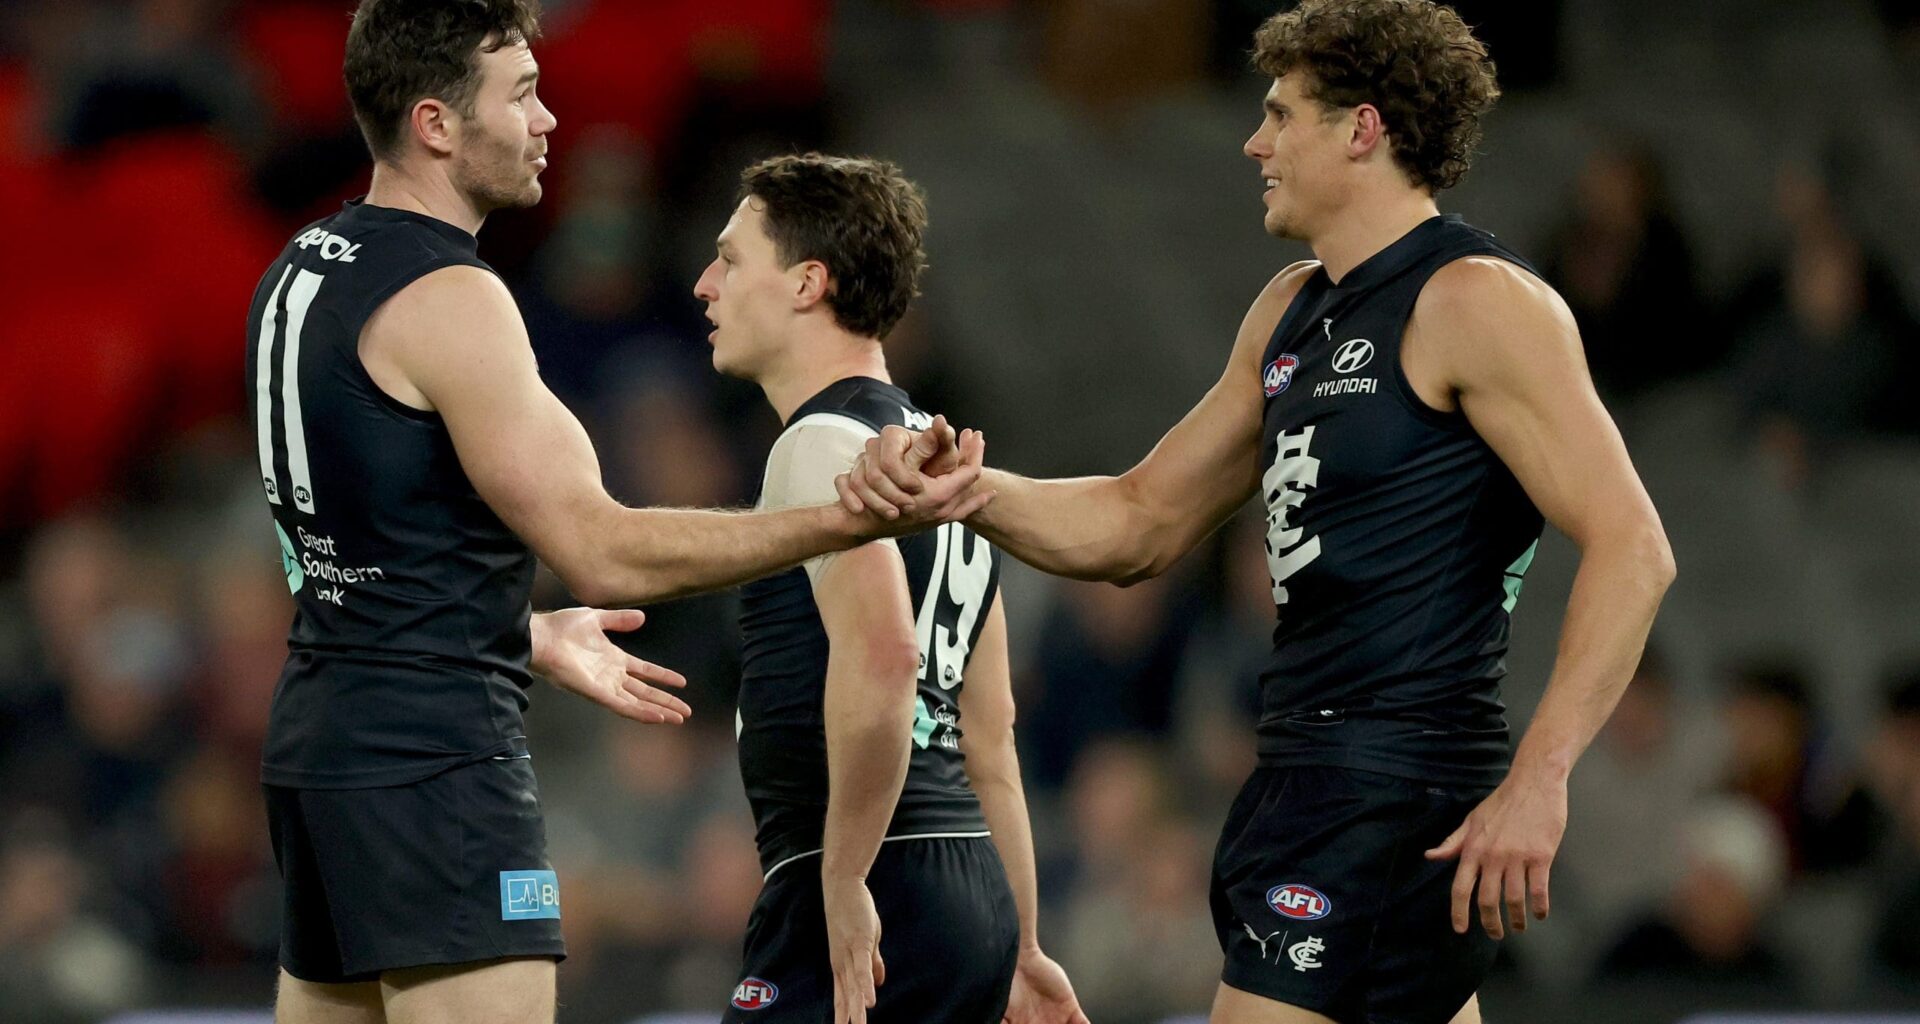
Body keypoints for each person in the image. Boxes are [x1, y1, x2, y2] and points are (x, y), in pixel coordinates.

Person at [839, 2, 1676, 1022]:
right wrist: (962, 492)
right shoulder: (1287, 310)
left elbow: (1635, 546)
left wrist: (1542, 778)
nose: (1254, 141)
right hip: (1299, 774)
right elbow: (1138, 519)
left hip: (1390, 779)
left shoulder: (1477, 302)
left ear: (1362, 128)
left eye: (1281, 115)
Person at [244, 4, 985, 1023]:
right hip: (439, 766)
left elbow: (347, 545)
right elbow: (604, 549)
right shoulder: (454, 296)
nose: (550, 118)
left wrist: (518, 628)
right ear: (436, 125)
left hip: (322, 749)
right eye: (521, 95)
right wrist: (847, 518)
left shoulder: (300, 267)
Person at [695, 152, 1086, 1024]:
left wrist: (841, 875)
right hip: (965, 883)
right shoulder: (942, 465)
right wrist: (1020, 944)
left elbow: (887, 657)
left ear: (806, 283)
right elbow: (990, 738)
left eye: (729, 257)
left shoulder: (821, 445)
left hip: (873, 876)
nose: (704, 284)